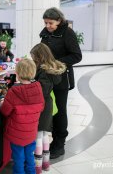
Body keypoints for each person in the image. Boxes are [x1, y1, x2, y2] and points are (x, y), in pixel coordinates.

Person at [39, 7, 82, 159]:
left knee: (60, 111)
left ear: (59, 20)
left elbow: (77, 56)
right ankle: (52, 140)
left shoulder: (67, 33)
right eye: (45, 23)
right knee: (51, 109)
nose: (48, 26)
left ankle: (59, 143)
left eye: (51, 23)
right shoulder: (45, 33)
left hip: (62, 78)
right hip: (47, 78)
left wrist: (56, 63)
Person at [0, 58, 45, 174]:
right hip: (31, 131)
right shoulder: (38, 87)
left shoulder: (13, 91)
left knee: (18, 160)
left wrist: (2, 104)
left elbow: (5, 111)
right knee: (30, 156)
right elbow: (41, 107)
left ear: (18, 74)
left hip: (16, 134)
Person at [30, 43, 66, 173]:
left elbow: (41, 90)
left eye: (34, 58)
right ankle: (45, 163)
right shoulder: (50, 70)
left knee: (38, 135)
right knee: (45, 134)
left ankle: (37, 166)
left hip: (42, 105)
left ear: (40, 57)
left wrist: (31, 84)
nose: (33, 60)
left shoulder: (44, 72)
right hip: (48, 104)